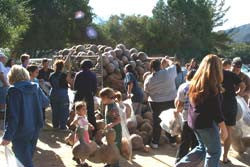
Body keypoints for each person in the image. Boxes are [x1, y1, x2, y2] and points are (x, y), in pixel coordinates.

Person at [176, 54, 228, 167]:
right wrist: (224, 128)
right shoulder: (212, 86)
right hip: (206, 124)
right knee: (214, 152)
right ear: (217, 68)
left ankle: (180, 165)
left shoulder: (195, 83)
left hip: (193, 121)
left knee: (202, 148)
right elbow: (216, 111)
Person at [0, 65, 49, 167]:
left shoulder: (14, 90)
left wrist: (7, 136)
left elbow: (13, 116)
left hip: (20, 130)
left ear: (12, 76)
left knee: (24, 161)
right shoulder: (35, 87)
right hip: (35, 128)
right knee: (26, 158)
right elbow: (45, 102)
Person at [144, 58, 177, 149]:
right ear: (160, 66)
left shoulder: (149, 78)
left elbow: (146, 90)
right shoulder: (168, 72)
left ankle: (155, 142)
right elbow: (173, 64)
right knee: (170, 121)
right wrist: (166, 60)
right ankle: (173, 141)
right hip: (170, 101)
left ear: (151, 68)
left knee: (157, 122)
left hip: (156, 103)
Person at [222, 59, 245, 163]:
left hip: (217, 105)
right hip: (230, 105)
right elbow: (243, 86)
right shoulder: (230, 74)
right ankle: (225, 157)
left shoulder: (213, 74)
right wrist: (237, 93)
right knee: (228, 132)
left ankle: (215, 154)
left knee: (215, 131)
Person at [175, 69, 198, 163]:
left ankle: (179, 162)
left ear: (186, 77)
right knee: (196, 143)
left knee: (184, 142)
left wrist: (176, 112)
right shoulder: (200, 86)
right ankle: (194, 162)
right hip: (198, 118)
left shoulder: (183, 87)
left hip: (186, 118)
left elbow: (180, 106)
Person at [99, 87, 121, 167]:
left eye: (102, 99)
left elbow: (118, 120)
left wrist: (111, 124)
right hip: (110, 130)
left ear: (106, 98)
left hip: (115, 131)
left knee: (114, 148)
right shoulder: (109, 105)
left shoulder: (113, 108)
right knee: (109, 146)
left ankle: (115, 164)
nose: (101, 100)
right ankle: (109, 162)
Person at [74, 59, 97, 133]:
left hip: (79, 95)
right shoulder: (93, 75)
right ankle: (93, 131)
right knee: (90, 113)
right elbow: (95, 88)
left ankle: (77, 129)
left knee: (77, 112)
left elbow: (75, 87)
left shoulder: (78, 74)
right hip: (89, 95)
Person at [49, 60, 70, 130]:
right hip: (62, 93)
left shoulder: (51, 75)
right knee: (63, 110)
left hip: (53, 93)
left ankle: (55, 125)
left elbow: (50, 83)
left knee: (55, 110)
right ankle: (63, 126)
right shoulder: (64, 75)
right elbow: (69, 82)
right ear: (62, 67)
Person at [0, 52, 9, 129]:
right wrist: (6, 84)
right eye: (4, 57)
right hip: (2, 86)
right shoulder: (0, 64)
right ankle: (2, 123)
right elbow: (1, 74)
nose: (5, 58)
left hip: (2, 86)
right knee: (3, 103)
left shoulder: (1, 64)